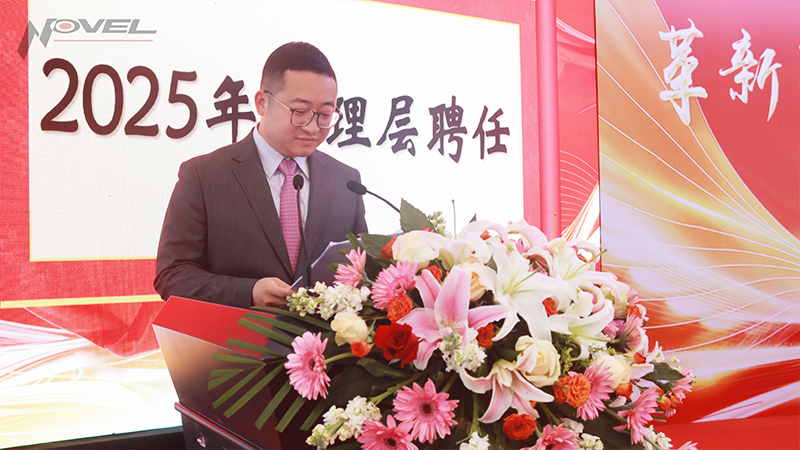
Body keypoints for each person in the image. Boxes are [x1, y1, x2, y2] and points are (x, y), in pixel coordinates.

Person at [154, 42, 368, 308]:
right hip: (238, 334)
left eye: (325, 114)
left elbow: (362, 270)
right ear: (262, 102)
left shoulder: (346, 181)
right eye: (300, 112)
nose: (313, 127)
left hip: (324, 335)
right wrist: (249, 292)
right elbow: (172, 275)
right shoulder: (204, 176)